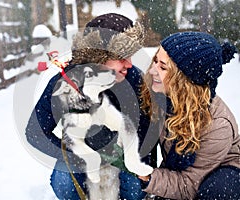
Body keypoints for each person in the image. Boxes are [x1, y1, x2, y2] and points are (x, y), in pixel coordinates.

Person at [25, 13, 154, 199]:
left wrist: (133, 161)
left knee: (134, 191)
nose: (129, 64)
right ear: (99, 57)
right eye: (122, 57)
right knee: (64, 184)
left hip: (121, 152)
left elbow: (146, 129)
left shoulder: (135, 80)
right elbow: (34, 132)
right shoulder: (65, 82)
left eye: (131, 56)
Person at [138, 31, 240, 199]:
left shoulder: (217, 124)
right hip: (183, 170)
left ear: (184, 80)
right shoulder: (161, 95)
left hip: (222, 174)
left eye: (163, 67)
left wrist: (150, 178)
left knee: (216, 192)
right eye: (155, 61)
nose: (152, 71)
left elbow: (188, 185)